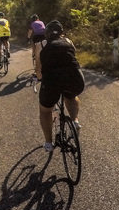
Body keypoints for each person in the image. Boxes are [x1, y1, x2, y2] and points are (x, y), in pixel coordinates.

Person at [38, 20, 85, 153]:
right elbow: (73, 57)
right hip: (75, 78)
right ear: (62, 33)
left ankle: (48, 143)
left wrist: (38, 77)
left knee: (45, 111)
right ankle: (75, 122)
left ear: (46, 33)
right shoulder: (68, 41)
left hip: (52, 81)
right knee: (71, 96)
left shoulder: (41, 44)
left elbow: (38, 68)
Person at [27, 14, 46, 83]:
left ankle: (34, 53)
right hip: (44, 36)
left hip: (37, 36)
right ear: (38, 18)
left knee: (33, 42)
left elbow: (30, 32)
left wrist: (28, 38)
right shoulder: (41, 22)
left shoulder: (32, 23)